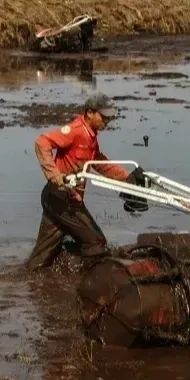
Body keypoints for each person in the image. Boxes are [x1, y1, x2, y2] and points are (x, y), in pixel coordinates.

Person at [25, 93, 132, 270]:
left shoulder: (91, 136)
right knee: (95, 242)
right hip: (61, 197)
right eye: (103, 116)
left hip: (61, 201)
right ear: (90, 113)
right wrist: (53, 174)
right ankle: (78, 274)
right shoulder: (75, 131)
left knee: (41, 258)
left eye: (109, 117)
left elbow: (98, 162)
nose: (107, 120)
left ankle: (35, 280)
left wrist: (126, 177)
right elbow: (42, 142)